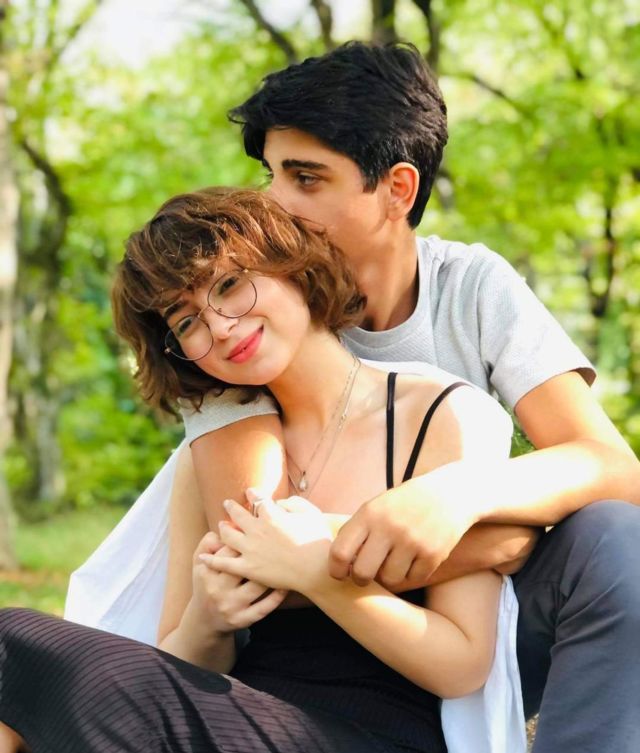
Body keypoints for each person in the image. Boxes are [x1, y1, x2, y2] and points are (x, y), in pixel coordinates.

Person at [162, 42, 640, 753]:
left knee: (618, 540)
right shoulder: (245, 314)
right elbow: (262, 552)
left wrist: (454, 497)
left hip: (478, 627)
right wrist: (500, 540)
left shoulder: (471, 288)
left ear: (398, 190)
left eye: (306, 177)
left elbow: (613, 468)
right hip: (318, 655)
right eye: (271, 174)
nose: (274, 201)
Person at [0, 187, 517, 753]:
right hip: (233, 719)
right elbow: (175, 664)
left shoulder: (440, 414)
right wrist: (207, 620)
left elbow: (463, 663)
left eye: (228, 285)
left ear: (292, 263)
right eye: (187, 322)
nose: (220, 327)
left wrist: (318, 575)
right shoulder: (208, 454)